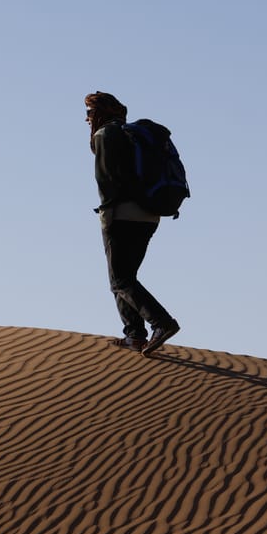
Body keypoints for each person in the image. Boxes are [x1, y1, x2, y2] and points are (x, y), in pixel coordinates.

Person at [86, 91, 180, 355]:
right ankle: (135, 335)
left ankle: (161, 323)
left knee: (120, 280)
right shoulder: (135, 136)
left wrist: (107, 216)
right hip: (149, 215)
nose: (87, 119)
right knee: (127, 278)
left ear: (102, 114)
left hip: (121, 214)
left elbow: (107, 181)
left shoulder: (105, 135)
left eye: (90, 113)